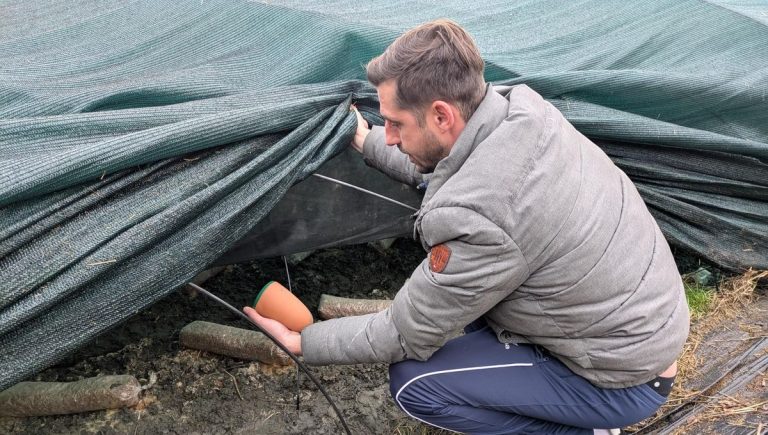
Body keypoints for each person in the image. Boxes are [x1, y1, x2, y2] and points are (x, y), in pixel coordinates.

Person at [244, 19, 689, 434]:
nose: (390, 135)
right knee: (461, 309)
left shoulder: (485, 217)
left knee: (414, 383)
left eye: (395, 124)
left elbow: (407, 332)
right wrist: (366, 138)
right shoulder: (520, 117)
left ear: (442, 115)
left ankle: (588, 428)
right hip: (639, 331)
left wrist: (304, 343)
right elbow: (442, 164)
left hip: (618, 379)